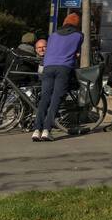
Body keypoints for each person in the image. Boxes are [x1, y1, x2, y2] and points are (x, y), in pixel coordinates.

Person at [32, 12, 83, 141]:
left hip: (48, 67)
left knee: (45, 98)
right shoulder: (79, 35)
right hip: (63, 68)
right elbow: (76, 52)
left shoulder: (53, 35)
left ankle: (36, 129)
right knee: (56, 99)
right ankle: (46, 130)